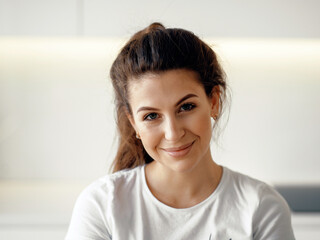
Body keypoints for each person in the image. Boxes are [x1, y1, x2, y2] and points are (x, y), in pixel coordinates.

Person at [65, 22, 295, 240]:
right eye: (151, 116)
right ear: (133, 123)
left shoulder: (261, 208)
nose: (173, 134)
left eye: (186, 107)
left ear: (214, 101)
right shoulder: (101, 205)